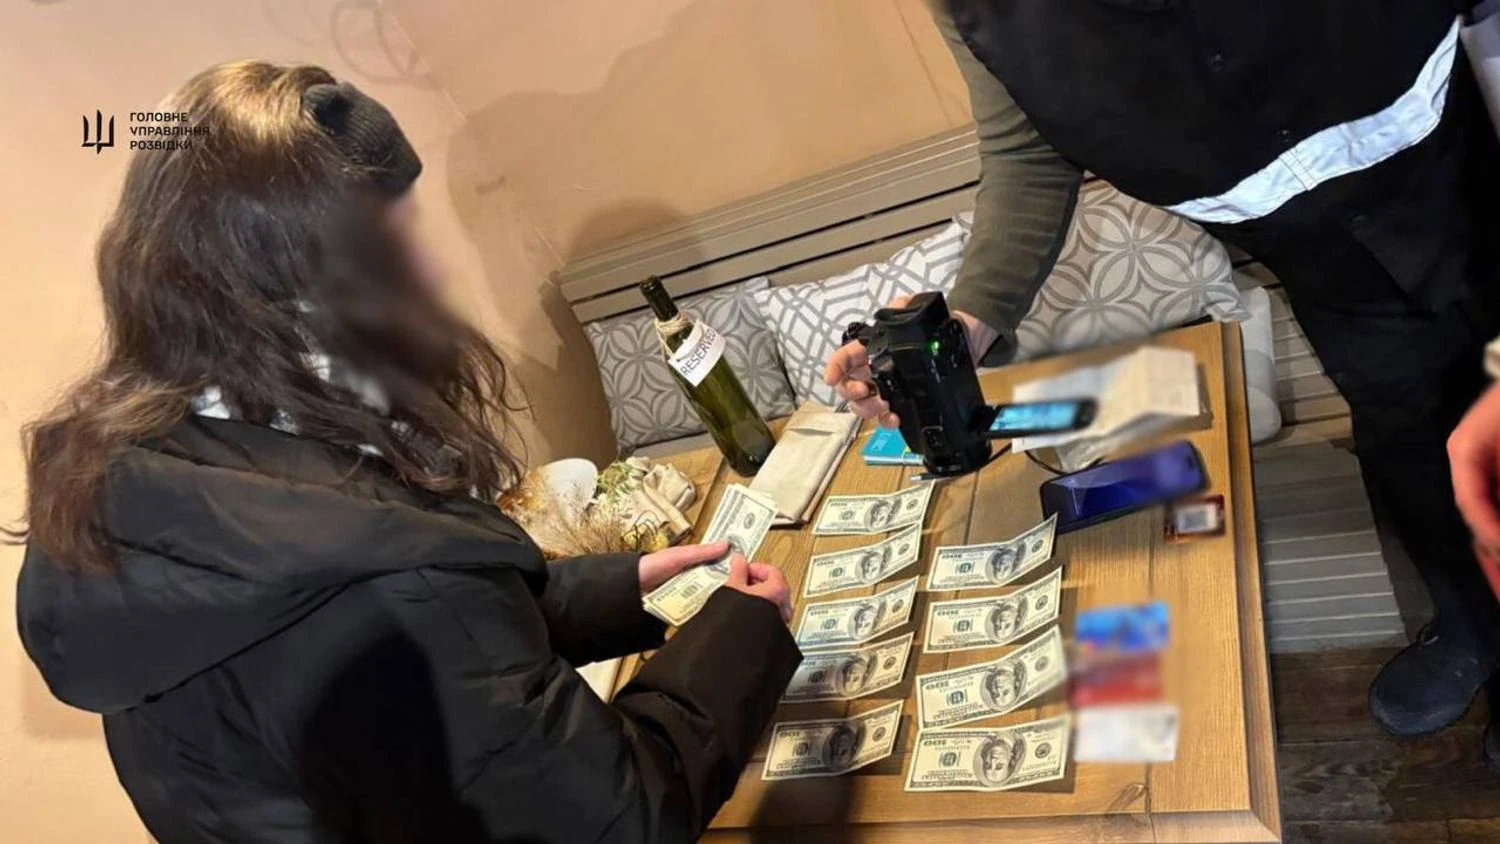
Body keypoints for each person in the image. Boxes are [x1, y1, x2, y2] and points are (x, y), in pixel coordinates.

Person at [12, 61, 802, 844]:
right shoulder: (381, 576)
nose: (429, 271)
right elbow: (621, 819)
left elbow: (451, 658)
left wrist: (625, 590)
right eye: (393, 243)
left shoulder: (143, 485)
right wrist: (744, 635)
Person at [825, 0, 1500, 760]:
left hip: (1468, 156)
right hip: (1324, 265)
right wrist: (961, 331)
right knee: (1407, 446)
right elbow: (1026, 151)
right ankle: (1473, 626)